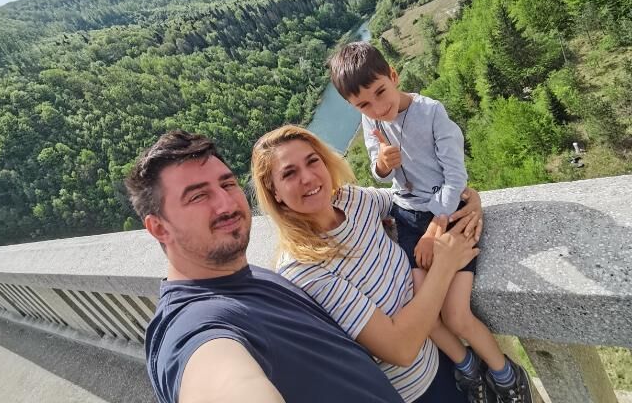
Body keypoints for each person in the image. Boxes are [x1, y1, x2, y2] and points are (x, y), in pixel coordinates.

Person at [126, 129, 413, 403]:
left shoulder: (249, 276)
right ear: (159, 228)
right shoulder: (193, 326)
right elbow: (222, 379)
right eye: (198, 196)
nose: (226, 204)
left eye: (227, 184)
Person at [328, 41, 533, 403]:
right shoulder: (371, 120)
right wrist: (382, 165)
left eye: (380, 92)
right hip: (407, 216)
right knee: (425, 314)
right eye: (363, 104)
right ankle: (468, 366)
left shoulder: (431, 112)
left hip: (448, 214)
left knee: (455, 315)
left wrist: (437, 226)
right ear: (353, 106)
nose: (377, 108)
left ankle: (505, 374)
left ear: (393, 76)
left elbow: (456, 176)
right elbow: (377, 172)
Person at [252, 124, 484, 403]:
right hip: (416, 391)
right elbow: (400, 348)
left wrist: (466, 199)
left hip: (444, 354)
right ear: (275, 192)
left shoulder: (351, 200)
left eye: (312, 161)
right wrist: (445, 265)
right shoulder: (303, 268)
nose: (308, 177)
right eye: (289, 173)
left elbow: (412, 203)